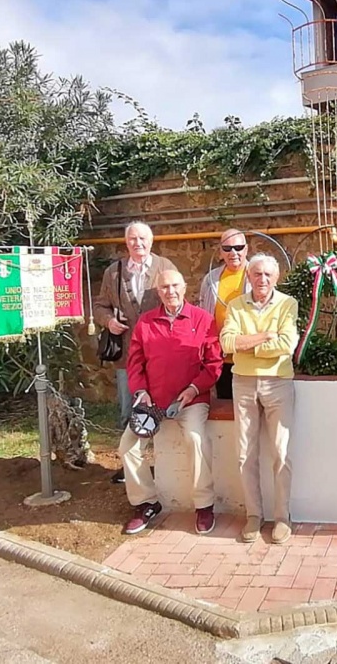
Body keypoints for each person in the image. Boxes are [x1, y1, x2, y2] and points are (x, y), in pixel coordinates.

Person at [118, 269, 224, 535]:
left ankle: (204, 504)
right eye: (164, 287)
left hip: (191, 400)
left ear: (184, 287)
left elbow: (213, 364)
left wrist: (193, 389)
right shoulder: (145, 322)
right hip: (152, 401)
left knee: (196, 439)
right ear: (158, 291)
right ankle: (146, 503)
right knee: (127, 445)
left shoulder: (203, 319)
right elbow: (135, 364)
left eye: (175, 285)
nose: (170, 291)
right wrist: (141, 391)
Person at [220, 254, 299, 545]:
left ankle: (282, 517)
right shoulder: (236, 305)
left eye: (267, 274)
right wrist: (266, 335)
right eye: (256, 274)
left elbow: (287, 345)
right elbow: (227, 343)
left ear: (276, 277)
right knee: (245, 453)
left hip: (278, 382)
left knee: (281, 452)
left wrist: (247, 344)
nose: (262, 279)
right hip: (242, 383)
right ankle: (254, 515)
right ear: (248, 277)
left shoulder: (288, 304)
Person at [92, 221, 176, 484]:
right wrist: (109, 322)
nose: (137, 243)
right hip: (128, 357)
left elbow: (177, 301)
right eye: (132, 239)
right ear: (126, 242)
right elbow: (100, 306)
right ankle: (132, 468)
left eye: (142, 238)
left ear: (151, 241)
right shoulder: (114, 273)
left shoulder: (165, 268)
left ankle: (163, 465)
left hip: (160, 357)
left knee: (163, 410)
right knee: (129, 411)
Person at [199, 228, 251, 400]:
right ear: (221, 252)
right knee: (225, 407)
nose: (233, 252)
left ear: (246, 249)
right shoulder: (211, 279)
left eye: (238, 247)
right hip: (221, 358)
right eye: (227, 248)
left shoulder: (257, 275)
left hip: (248, 357)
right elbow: (203, 312)